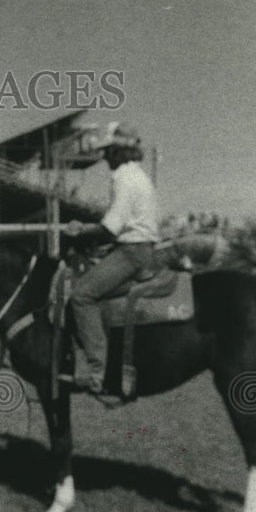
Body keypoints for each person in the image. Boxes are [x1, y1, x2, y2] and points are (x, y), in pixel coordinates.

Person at [63, 123, 160, 394]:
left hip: (132, 251)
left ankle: (98, 371)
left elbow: (110, 228)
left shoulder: (123, 177)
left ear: (117, 151)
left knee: (81, 295)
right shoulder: (137, 175)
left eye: (107, 151)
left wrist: (80, 230)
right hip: (139, 247)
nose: (103, 157)